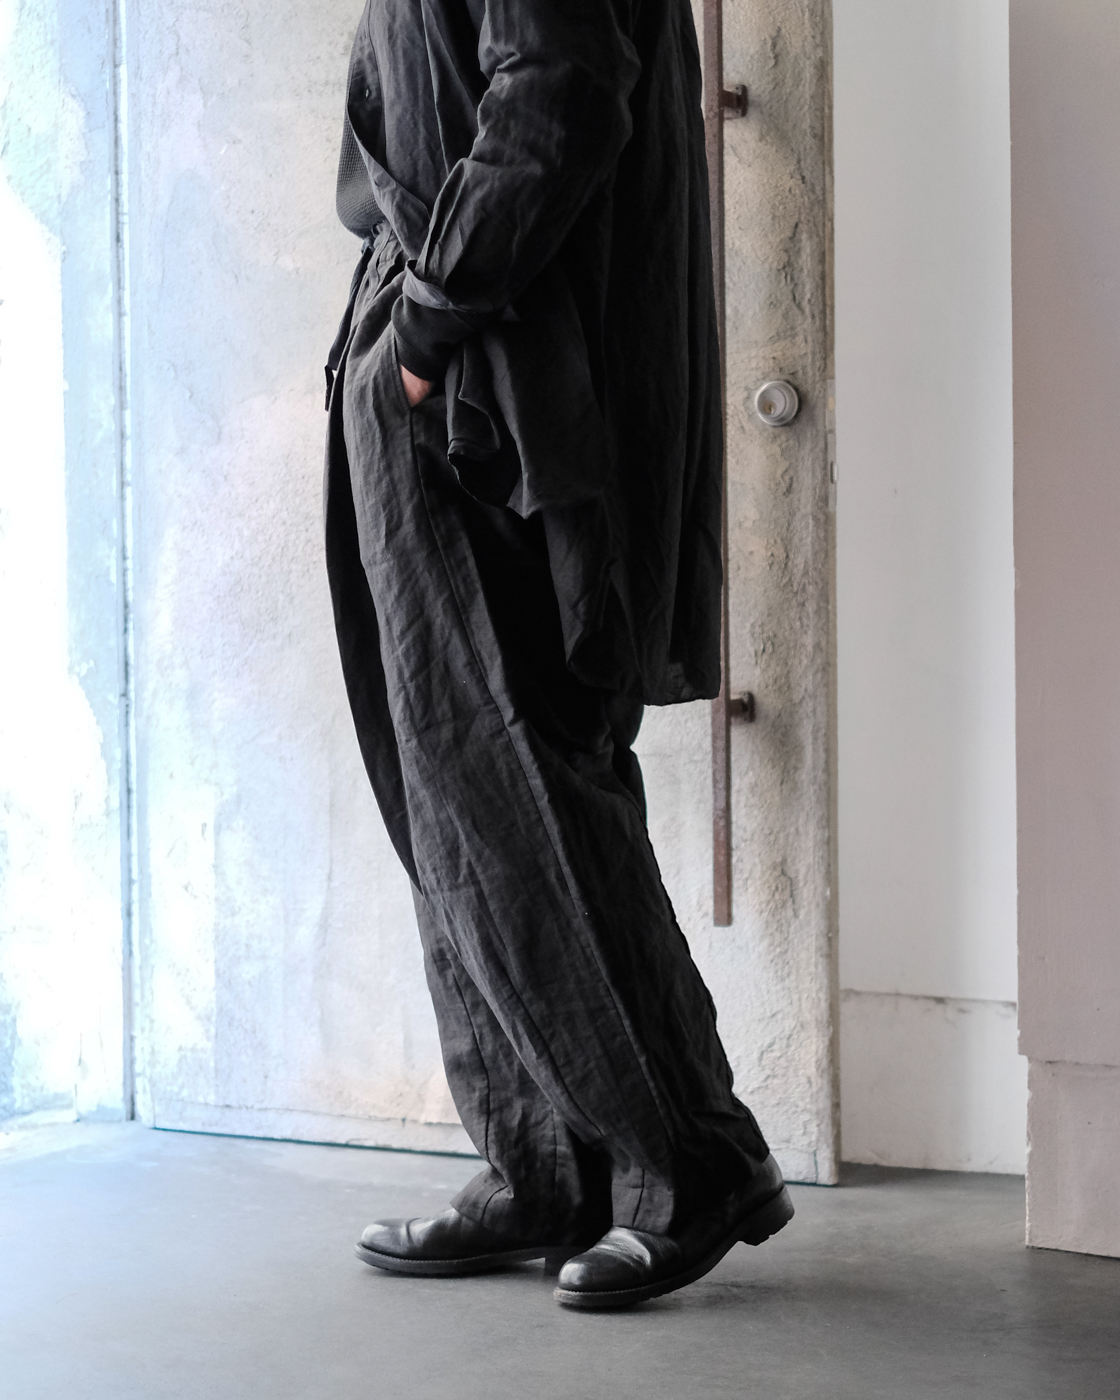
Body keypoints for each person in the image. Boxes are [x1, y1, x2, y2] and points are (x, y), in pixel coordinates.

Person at [323, 0, 792, 1309]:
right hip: (454, 349)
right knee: (451, 787)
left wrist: (429, 326)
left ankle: (691, 1161)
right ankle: (547, 1160)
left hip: (504, 373)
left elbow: (559, 89)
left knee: (523, 768)